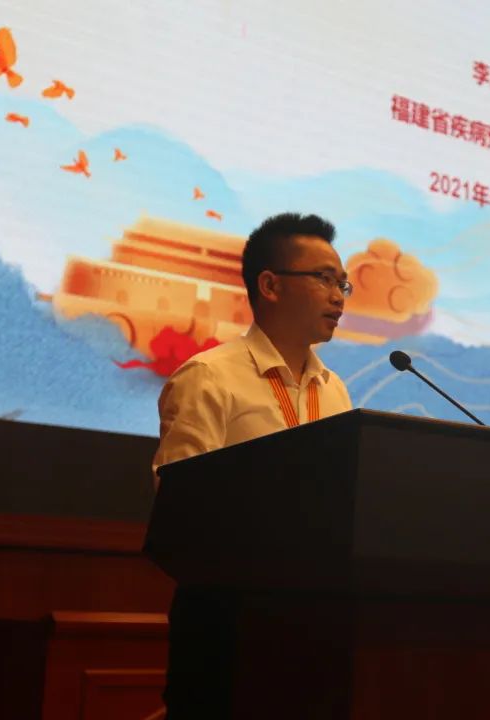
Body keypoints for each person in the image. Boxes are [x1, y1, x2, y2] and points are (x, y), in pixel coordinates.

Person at [153, 212, 354, 718]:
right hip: (227, 620)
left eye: (343, 283)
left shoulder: (335, 390)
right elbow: (179, 505)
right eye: (324, 278)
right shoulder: (209, 377)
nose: (339, 296)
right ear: (270, 285)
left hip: (318, 621)